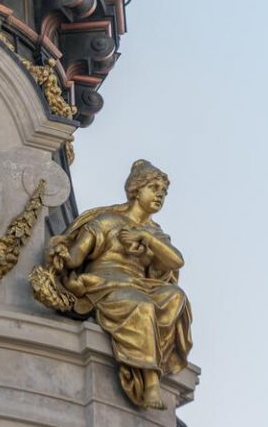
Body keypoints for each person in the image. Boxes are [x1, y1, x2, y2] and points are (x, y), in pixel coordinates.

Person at [32, 160, 192, 409]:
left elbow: (176, 261)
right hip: (105, 283)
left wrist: (146, 237)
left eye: (164, 191)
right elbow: (76, 258)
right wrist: (61, 254)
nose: (160, 194)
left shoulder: (155, 233)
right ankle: (150, 381)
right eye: (154, 187)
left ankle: (152, 363)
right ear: (136, 190)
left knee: (176, 297)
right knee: (142, 306)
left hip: (139, 284)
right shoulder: (107, 221)